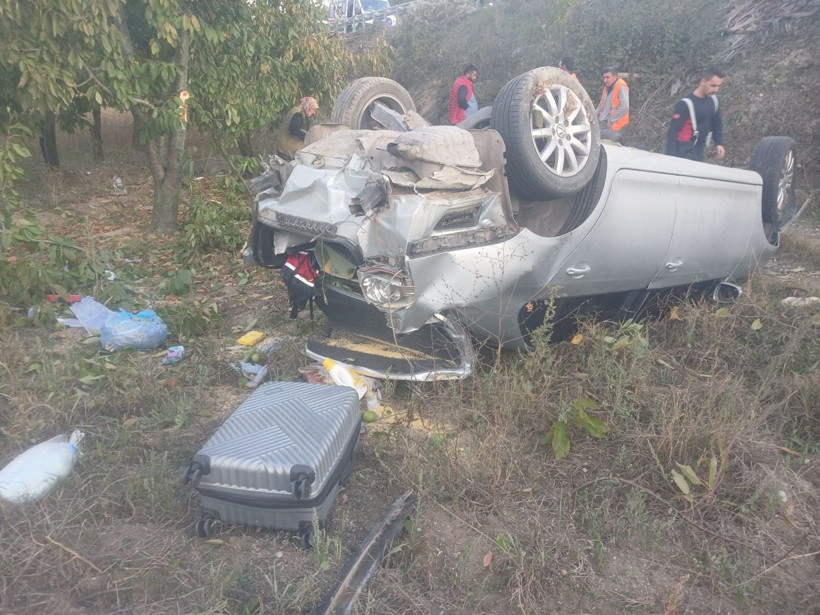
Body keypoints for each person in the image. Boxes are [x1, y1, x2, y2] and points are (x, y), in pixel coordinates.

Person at [666, 68, 725, 162]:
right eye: (713, 85)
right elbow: (673, 132)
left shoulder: (714, 101)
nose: (716, 90)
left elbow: (717, 123)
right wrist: (670, 158)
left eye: (718, 86)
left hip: (699, 149)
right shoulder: (685, 104)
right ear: (703, 82)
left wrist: (719, 143)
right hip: (682, 150)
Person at [596, 67, 629, 142]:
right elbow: (600, 105)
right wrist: (593, 116)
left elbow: (625, 107)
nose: (605, 80)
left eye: (607, 77)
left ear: (615, 77)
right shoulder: (607, 88)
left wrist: (611, 120)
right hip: (604, 123)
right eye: (604, 77)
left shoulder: (621, 86)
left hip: (615, 126)